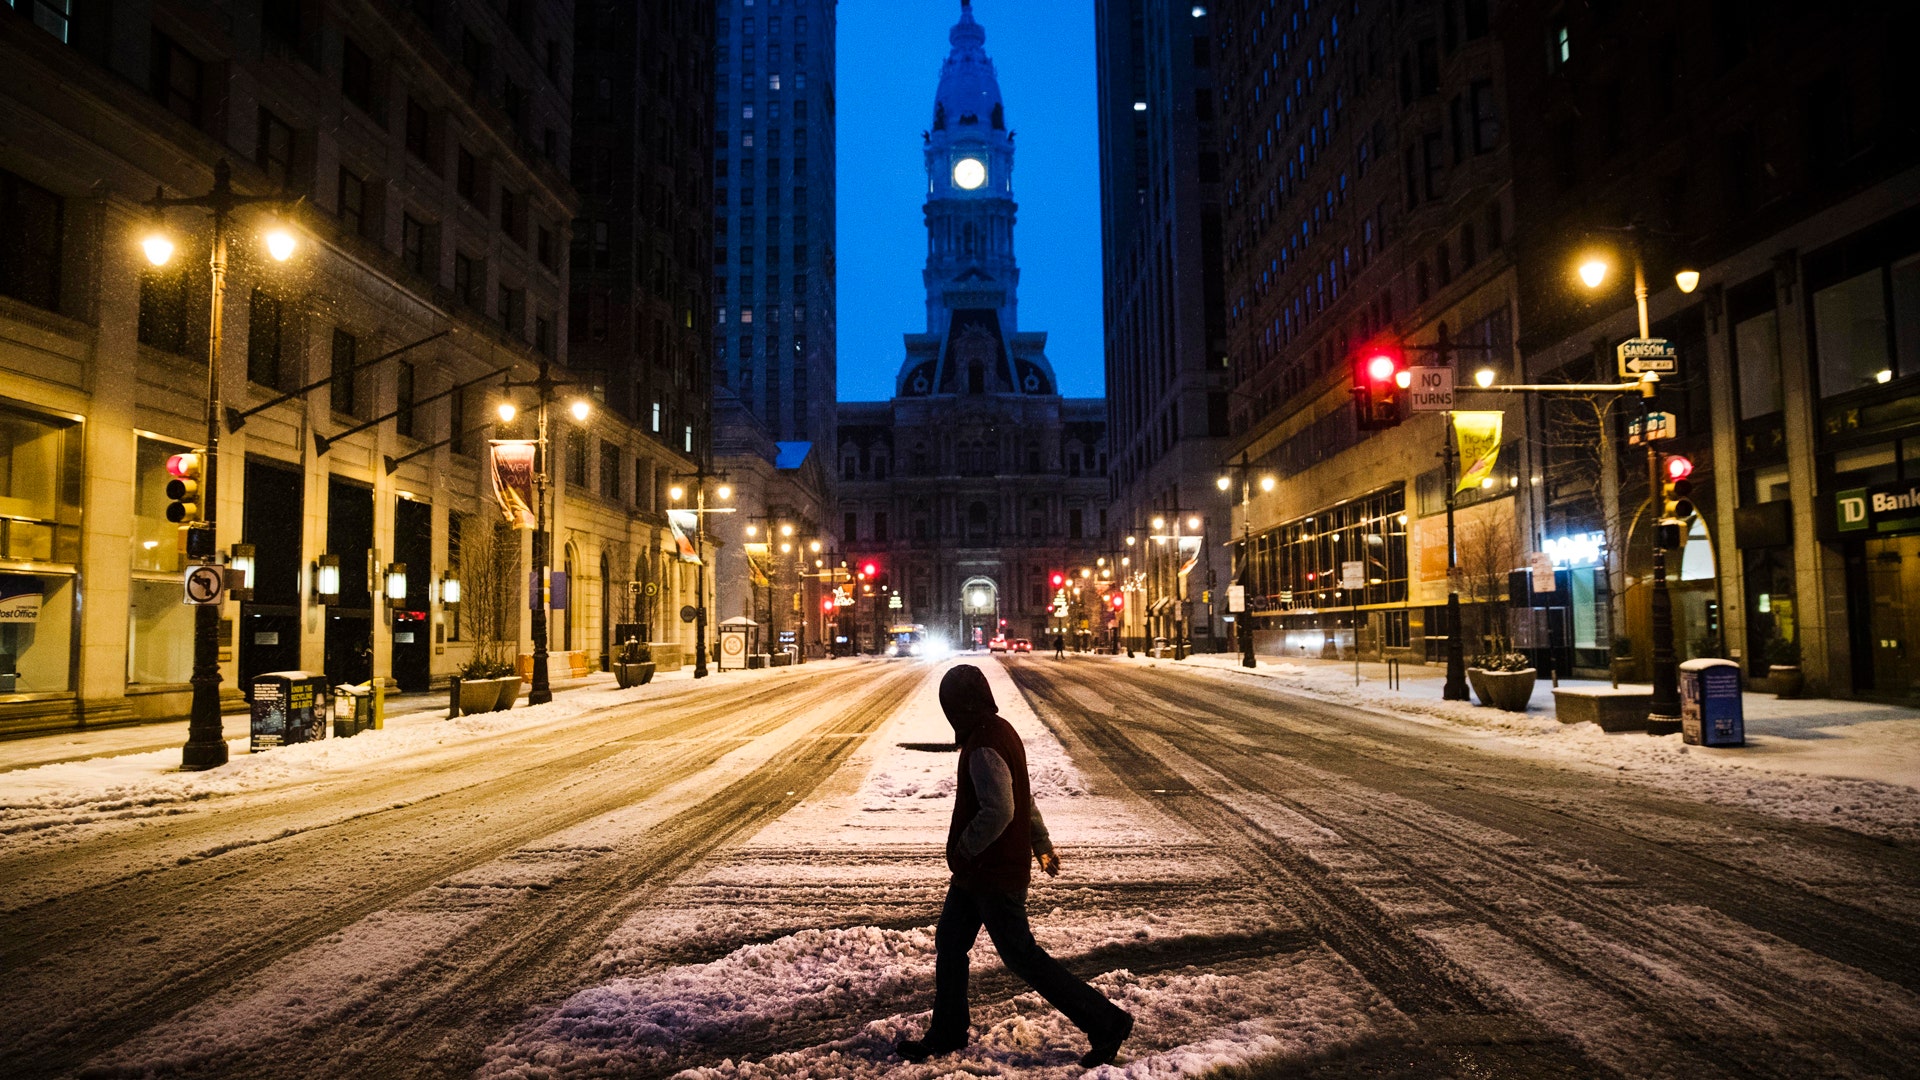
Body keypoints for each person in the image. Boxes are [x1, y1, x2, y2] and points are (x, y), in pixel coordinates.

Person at [897, 665, 1133, 1068]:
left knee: (1022, 956)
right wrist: (1040, 843)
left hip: (991, 872)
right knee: (951, 943)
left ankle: (1106, 1022)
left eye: (950, 706)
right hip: (979, 873)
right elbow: (1025, 797)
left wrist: (964, 848)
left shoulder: (985, 744)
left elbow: (1002, 808)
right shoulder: (998, 731)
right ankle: (948, 1031)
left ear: (960, 707)